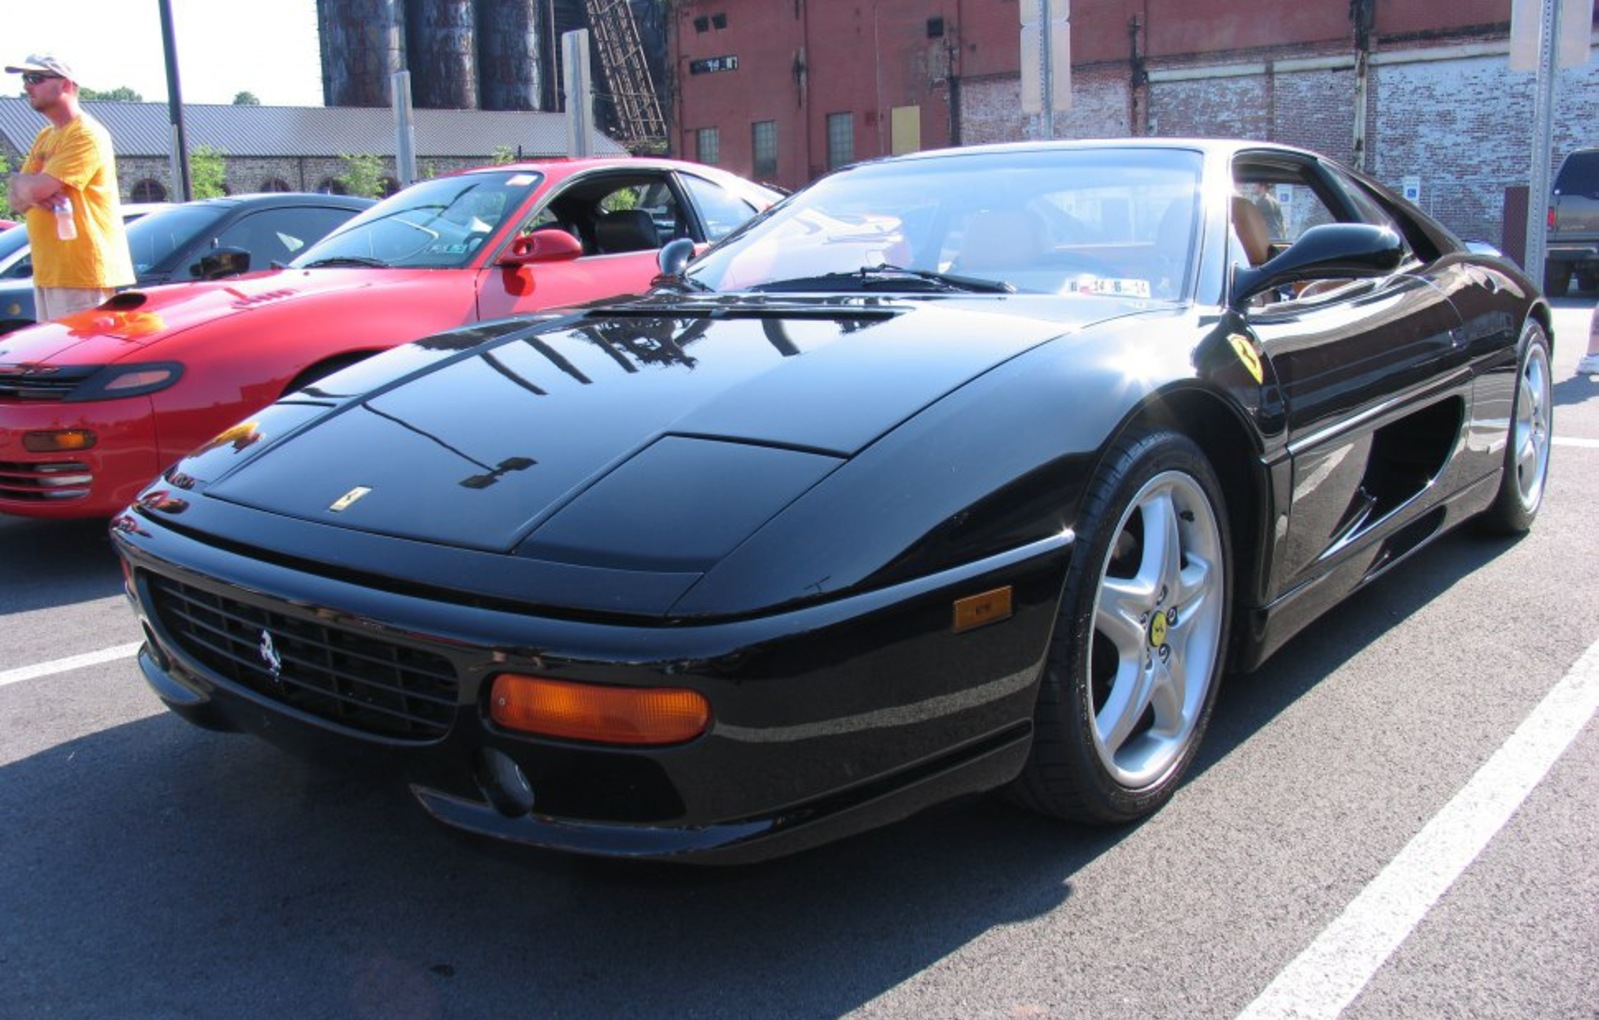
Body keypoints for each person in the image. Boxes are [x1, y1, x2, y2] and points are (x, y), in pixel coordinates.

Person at [4, 54, 134, 320]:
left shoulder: (86, 134)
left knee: (80, 357)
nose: (27, 86)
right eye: (26, 79)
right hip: (48, 273)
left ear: (65, 85)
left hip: (81, 274)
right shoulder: (46, 135)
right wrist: (24, 185)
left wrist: (32, 188)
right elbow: (16, 199)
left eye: (35, 78)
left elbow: (36, 190)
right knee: (51, 360)